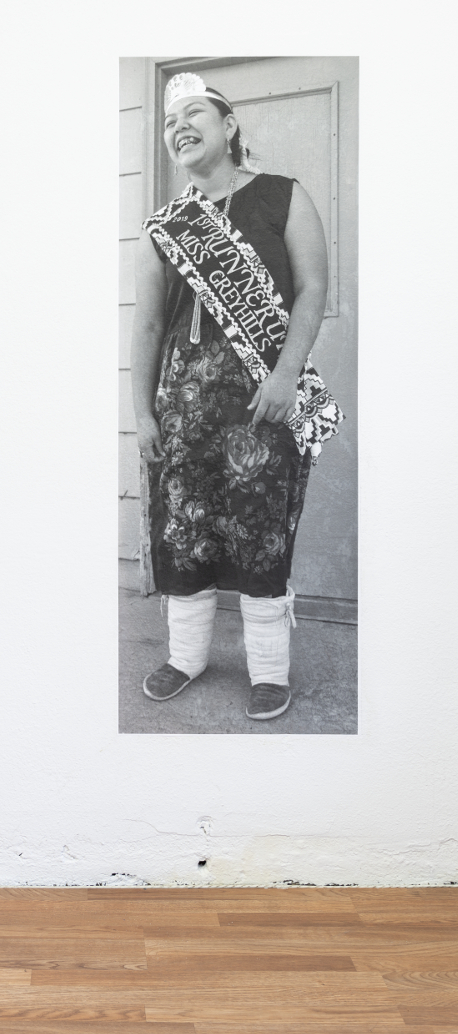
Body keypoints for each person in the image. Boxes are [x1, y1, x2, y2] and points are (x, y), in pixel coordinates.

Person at [131, 73, 342, 721]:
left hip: (263, 404)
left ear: (227, 126)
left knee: (258, 536)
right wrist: (140, 411)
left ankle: (268, 672)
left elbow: (311, 288)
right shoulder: (167, 228)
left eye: (193, 113)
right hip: (182, 409)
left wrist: (284, 377)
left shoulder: (282, 196)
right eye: (170, 122)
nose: (179, 127)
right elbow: (143, 325)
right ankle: (187, 655)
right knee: (184, 533)